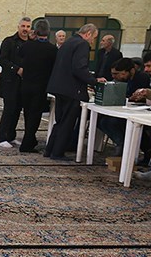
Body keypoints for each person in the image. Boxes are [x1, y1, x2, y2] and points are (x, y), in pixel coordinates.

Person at [44, 24, 106, 161]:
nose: (92, 41)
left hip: (59, 87)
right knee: (67, 122)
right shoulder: (82, 44)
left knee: (59, 120)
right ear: (88, 34)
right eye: (93, 38)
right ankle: (57, 152)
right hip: (71, 89)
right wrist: (94, 81)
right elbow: (79, 68)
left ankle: (50, 150)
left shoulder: (68, 42)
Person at [17, 19, 57, 153]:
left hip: (26, 85)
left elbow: (20, 54)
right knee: (35, 115)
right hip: (41, 87)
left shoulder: (28, 46)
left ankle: (30, 139)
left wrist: (30, 39)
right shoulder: (52, 49)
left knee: (28, 114)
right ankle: (27, 143)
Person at [0, 17, 31, 148]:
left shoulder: (31, 43)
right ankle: (2, 137)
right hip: (10, 82)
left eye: (28, 27)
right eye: (23, 26)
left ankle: (11, 136)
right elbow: (2, 60)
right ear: (18, 27)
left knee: (17, 110)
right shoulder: (9, 41)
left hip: (24, 84)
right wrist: (16, 69)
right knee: (9, 110)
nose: (25, 29)